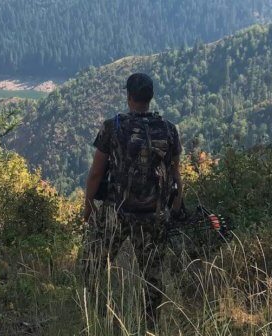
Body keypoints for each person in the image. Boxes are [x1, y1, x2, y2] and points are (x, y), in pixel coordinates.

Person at [82, 73, 183, 330]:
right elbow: (175, 175)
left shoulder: (113, 127)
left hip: (117, 212)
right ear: (150, 98)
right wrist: (173, 208)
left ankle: (103, 319)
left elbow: (96, 172)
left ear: (128, 97)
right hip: (154, 214)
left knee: (93, 264)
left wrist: (88, 202)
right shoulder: (169, 130)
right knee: (152, 275)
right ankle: (149, 326)